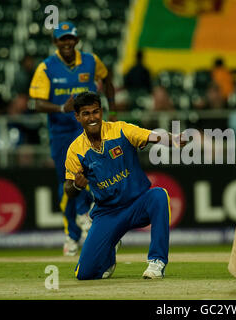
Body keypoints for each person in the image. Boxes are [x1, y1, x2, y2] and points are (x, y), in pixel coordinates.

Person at [64, 91, 186, 280]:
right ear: (77, 117)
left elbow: (154, 136)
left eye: (95, 112)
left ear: (102, 111)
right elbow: (69, 189)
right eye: (86, 114)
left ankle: (156, 262)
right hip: (108, 213)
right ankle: (109, 251)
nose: (92, 118)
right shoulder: (75, 150)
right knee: (84, 274)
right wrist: (77, 186)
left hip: (138, 204)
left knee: (159, 195)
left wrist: (174, 139)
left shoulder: (121, 130)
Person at [28, 21, 117, 256]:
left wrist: (113, 109)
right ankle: (73, 233)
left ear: (76, 40)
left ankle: (92, 223)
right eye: (62, 38)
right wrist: (60, 109)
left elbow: (107, 79)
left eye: (70, 38)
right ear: (55, 42)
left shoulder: (90, 60)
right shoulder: (46, 67)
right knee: (66, 182)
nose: (67, 42)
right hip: (60, 133)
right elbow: (37, 104)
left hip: (87, 130)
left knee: (93, 173)